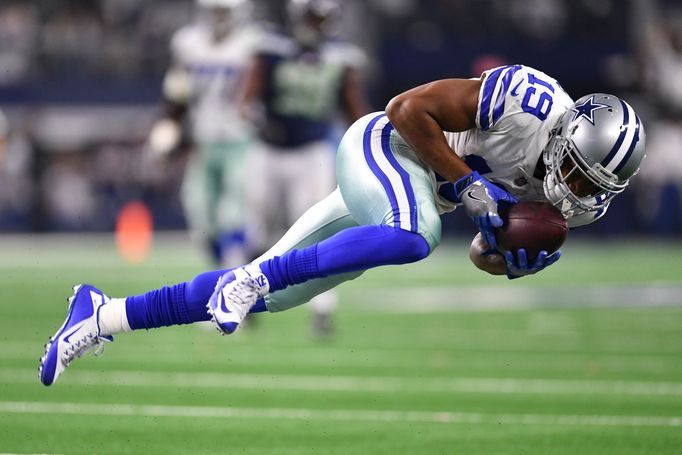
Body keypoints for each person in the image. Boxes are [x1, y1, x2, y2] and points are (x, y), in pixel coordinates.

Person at [39, 64, 646, 386]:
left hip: (406, 195)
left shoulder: (580, 205)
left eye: (596, 184)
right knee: (416, 237)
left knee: (264, 297)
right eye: (581, 171)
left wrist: (506, 258)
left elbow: (481, 252)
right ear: (568, 133)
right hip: (386, 150)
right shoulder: (526, 101)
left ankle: (101, 315)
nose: (581, 190)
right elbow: (405, 110)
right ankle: (255, 277)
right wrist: (466, 182)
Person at [238, 0, 370, 335]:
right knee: (258, 228)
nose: (318, 26)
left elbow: (355, 110)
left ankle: (323, 311)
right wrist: (249, 110)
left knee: (316, 231)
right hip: (268, 149)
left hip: (312, 152)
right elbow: (247, 97)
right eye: (314, 18)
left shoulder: (341, 57)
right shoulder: (270, 49)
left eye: (323, 19)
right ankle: (245, 298)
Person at [147, 0, 259, 267]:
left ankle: (235, 280)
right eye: (214, 10)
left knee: (235, 212)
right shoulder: (188, 43)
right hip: (203, 139)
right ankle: (226, 275)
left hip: (243, 138)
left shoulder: (253, 43)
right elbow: (177, 93)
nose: (219, 17)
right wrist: (168, 128)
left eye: (224, 11)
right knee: (200, 215)